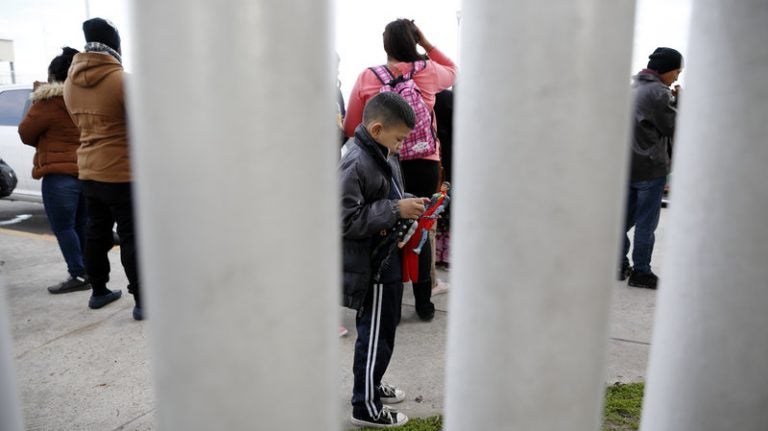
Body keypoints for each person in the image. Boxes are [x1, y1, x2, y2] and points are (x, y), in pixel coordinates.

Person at [343, 18, 456, 321]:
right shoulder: (428, 72)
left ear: (386, 45)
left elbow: (352, 125)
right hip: (425, 163)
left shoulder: (368, 77)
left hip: (385, 160)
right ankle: (424, 302)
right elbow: (454, 71)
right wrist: (427, 44)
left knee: (387, 224)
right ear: (413, 41)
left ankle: (384, 295)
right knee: (421, 229)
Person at [341, 92, 427, 428]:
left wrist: (407, 202)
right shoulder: (356, 161)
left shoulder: (382, 153)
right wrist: (395, 209)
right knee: (375, 335)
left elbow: (386, 195)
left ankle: (371, 385)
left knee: (384, 331)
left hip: (387, 255)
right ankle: (365, 407)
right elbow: (345, 219)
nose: (403, 145)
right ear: (377, 129)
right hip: (373, 265)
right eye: (400, 138)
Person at [63, 18, 143, 320]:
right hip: (122, 171)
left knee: (96, 232)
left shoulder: (70, 82)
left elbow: (76, 124)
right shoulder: (122, 81)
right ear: (115, 44)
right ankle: (142, 299)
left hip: (88, 170)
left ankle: (98, 291)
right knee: (132, 235)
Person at [18, 47, 90, 294]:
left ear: (53, 75)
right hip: (86, 172)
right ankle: (88, 270)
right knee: (81, 224)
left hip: (59, 177)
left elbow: (26, 133)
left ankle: (78, 274)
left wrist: (38, 96)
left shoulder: (48, 102)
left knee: (64, 227)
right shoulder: (86, 99)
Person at [620, 47, 683, 289]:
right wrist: (681, 102)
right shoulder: (658, 93)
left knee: (623, 221)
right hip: (651, 169)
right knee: (646, 224)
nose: (677, 76)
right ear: (666, 69)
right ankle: (641, 272)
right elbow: (673, 126)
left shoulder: (633, 88)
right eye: (676, 71)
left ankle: (618, 263)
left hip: (628, 166)